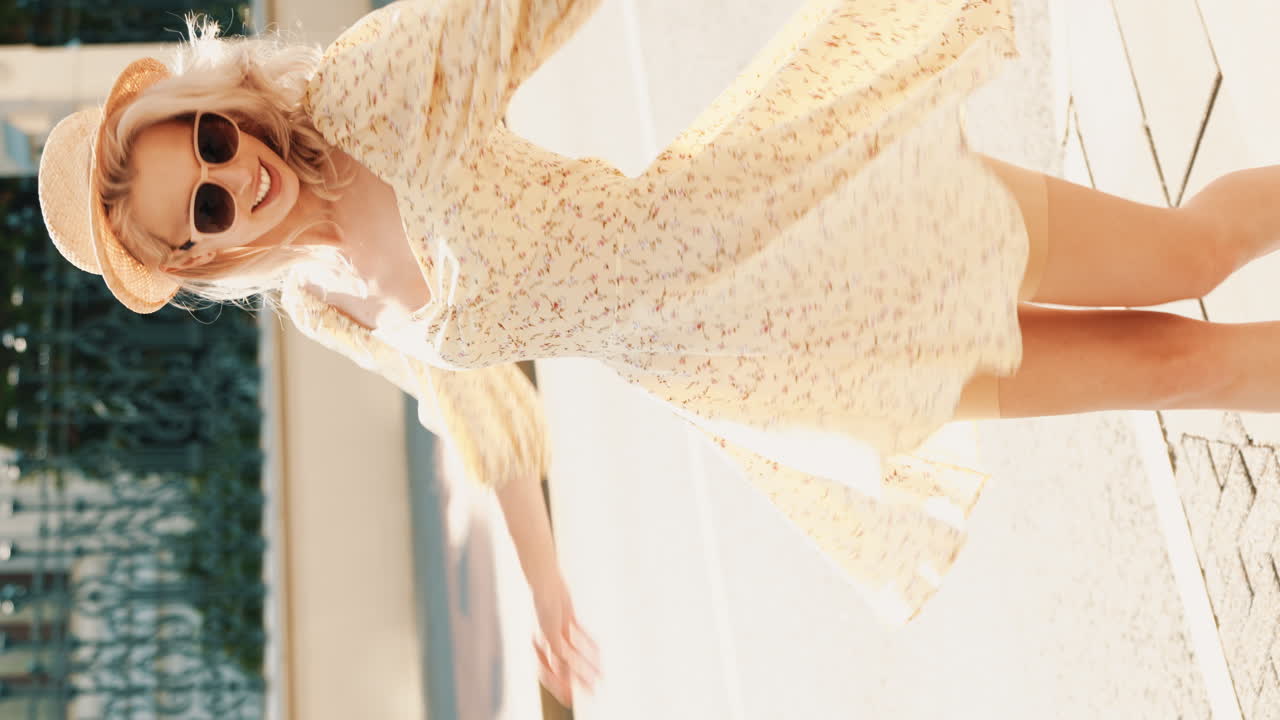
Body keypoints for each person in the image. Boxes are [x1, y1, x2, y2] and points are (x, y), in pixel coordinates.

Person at [33, 0, 1278, 706]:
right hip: (766, 369)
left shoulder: (365, 101)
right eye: (202, 206)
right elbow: (477, 416)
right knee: (1169, 373)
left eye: (207, 138)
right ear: (197, 260)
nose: (232, 174)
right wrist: (546, 590)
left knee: (1185, 258)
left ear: (214, 105)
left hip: (791, 214)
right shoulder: (323, 306)